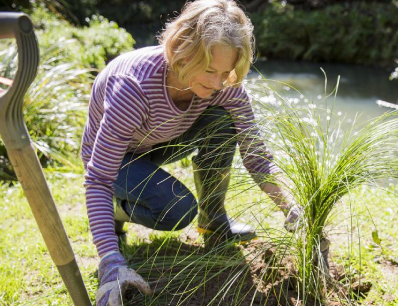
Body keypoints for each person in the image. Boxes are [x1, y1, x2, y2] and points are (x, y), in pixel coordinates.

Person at [81, 0, 303, 304]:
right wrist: (110, 262)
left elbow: (255, 154)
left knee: (224, 122)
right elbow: (98, 178)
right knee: (176, 210)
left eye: (225, 72)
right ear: (182, 50)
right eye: (210, 70)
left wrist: (289, 206)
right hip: (116, 159)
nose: (216, 83)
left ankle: (213, 221)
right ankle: (117, 209)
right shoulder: (132, 87)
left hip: (158, 141)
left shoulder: (225, 85)